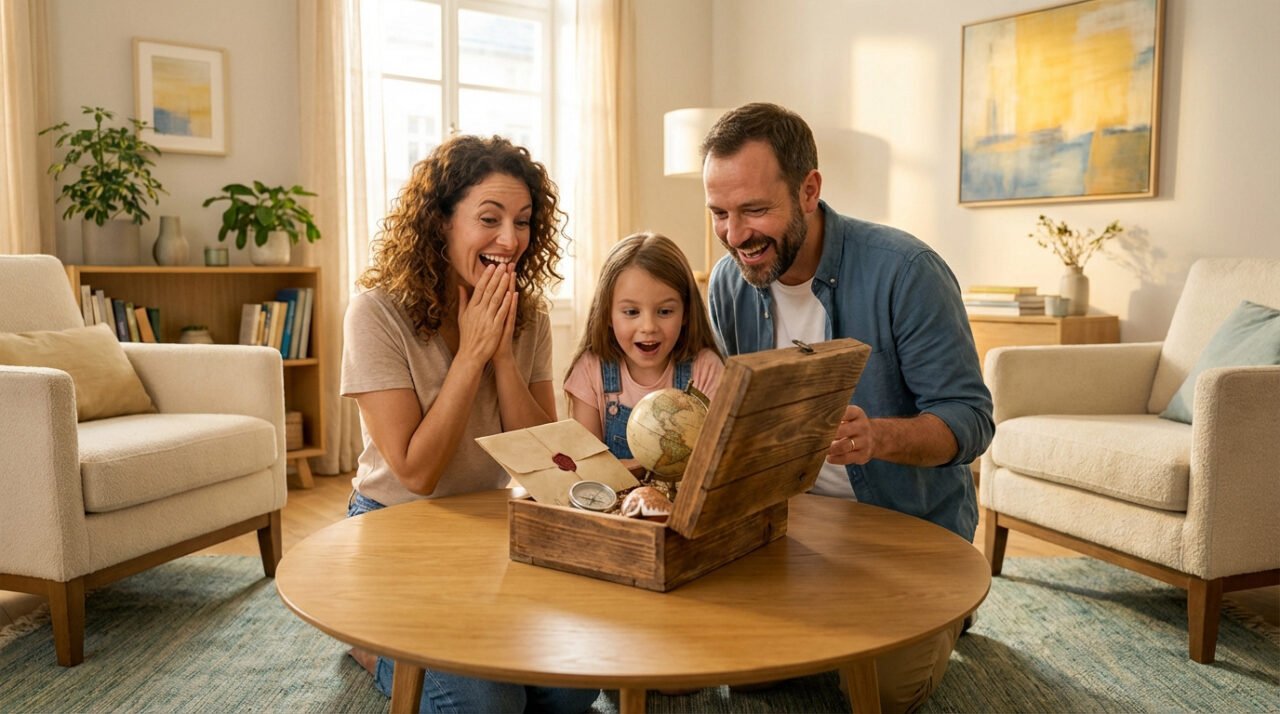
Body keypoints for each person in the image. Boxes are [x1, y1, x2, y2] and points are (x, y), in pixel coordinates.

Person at [701, 103, 994, 713]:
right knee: (738, 669)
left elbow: (970, 419)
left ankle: (945, 612)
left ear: (809, 190)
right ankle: (823, 617)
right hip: (792, 531)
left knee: (882, 692)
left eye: (754, 210)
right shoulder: (730, 283)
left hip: (904, 534)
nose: (734, 236)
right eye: (719, 214)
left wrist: (878, 437)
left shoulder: (905, 271)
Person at [341, 134, 599, 714]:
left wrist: (503, 354)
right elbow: (416, 472)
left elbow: (543, 467)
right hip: (393, 526)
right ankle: (369, 640)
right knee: (489, 707)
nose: (510, 240)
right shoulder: (376, 313)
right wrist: (470, 356)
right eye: (489, 218)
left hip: (483, 527)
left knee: (572, 694)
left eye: (524, 221)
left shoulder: (527, 313)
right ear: (440, 224)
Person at [563, 232, 724, 467]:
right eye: (631, 312)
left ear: (686, 313)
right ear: (607, 313)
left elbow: (714, 462)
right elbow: (588, 466)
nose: (648, 327)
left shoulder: (706, 368)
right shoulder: (590, 369)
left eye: (665, 311)